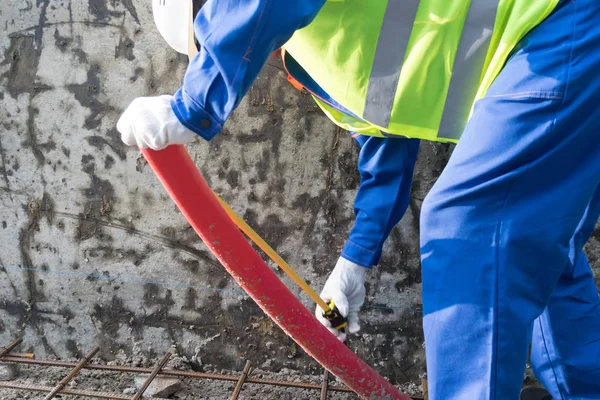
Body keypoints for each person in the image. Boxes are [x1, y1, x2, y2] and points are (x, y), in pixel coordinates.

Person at [117, 1, 600, 399]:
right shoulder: (313, 56)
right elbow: (386, 146)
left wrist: (195, 103)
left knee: (471, 230)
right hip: (559, 44)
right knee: (539, 255)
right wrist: (354, 264)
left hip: (554, 27)